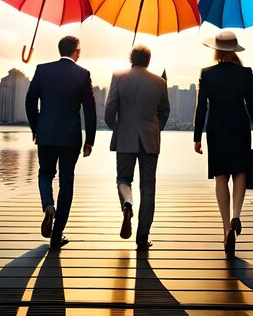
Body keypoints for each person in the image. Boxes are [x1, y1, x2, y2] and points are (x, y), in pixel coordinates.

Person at [193, 31, 253, 254]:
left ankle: (226, 231)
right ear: (234, 50)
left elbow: (201, 107)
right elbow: (252, 102)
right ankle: (236, 215)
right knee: (240, 172)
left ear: (216, 50)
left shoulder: (207, 73)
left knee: (221, 177)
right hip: (240, 128)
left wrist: (197, 137)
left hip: (216, 130)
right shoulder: (245, 73)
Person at [25, 35, 96, 249]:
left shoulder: (42, 70)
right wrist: (90, 140)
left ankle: (48, 204)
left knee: (45, 174)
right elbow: (90, 109)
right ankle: (57, 234)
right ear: (76, 50)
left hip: (46, 133)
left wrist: (35, 127)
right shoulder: (83, 74)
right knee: (67, 182)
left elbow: (30, 100)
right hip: (70, 137)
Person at [104, 45, 170, 250]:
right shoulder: (159, 82)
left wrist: (119, 128)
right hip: (150, 141)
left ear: (131, 58)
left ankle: (127, 204)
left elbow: (109, 110)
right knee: (148, 187)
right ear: (149, 60)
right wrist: (154, 129)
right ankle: (142, 236)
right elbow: (164, 112)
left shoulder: (118, 76)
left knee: (123, 179)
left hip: (125, 138)